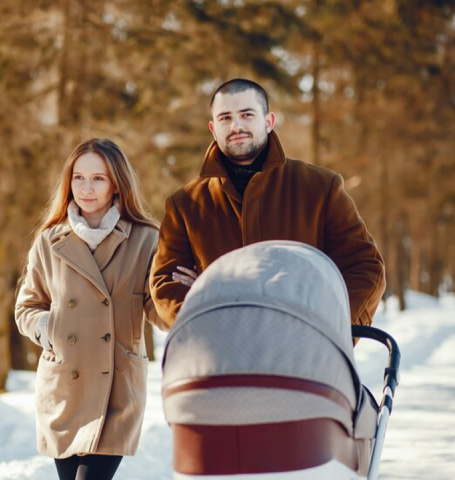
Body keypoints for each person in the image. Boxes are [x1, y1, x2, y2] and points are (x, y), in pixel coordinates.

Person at [150, 78, 385, 327]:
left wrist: (325, 325)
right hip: (222, 357)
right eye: (225, 118)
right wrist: (209, 312)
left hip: (307, 356)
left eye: (246, 114)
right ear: (213, 128)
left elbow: (364, 267)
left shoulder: (320, 188)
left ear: (268, 121)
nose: (236, 126)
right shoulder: (185, 205)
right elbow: (166, 283)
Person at [15, 138, 167, 480]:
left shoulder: (146, 239)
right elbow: (27, 306)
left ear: (116, 184)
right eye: (79, 177)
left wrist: (184, 294)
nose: (86, 187)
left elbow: (158, 311)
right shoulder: (50, 240)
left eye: (98, 178)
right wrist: (46, 326)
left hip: (116, 388)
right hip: (64, 388)